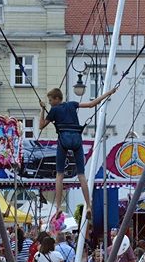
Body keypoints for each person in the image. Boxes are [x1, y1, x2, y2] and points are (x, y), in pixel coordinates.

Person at [39, 86, 117, 219]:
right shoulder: (72, 104)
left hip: (63, 140)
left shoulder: (54, 110)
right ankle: (88, 205)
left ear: (57, 99)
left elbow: (41, 125)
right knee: (81, 175)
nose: (50, 102)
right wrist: (109, 93)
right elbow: (92, 104)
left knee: (59, 175)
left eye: (51, 100)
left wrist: (42, 109)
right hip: (76, 140)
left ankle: (58, 207)